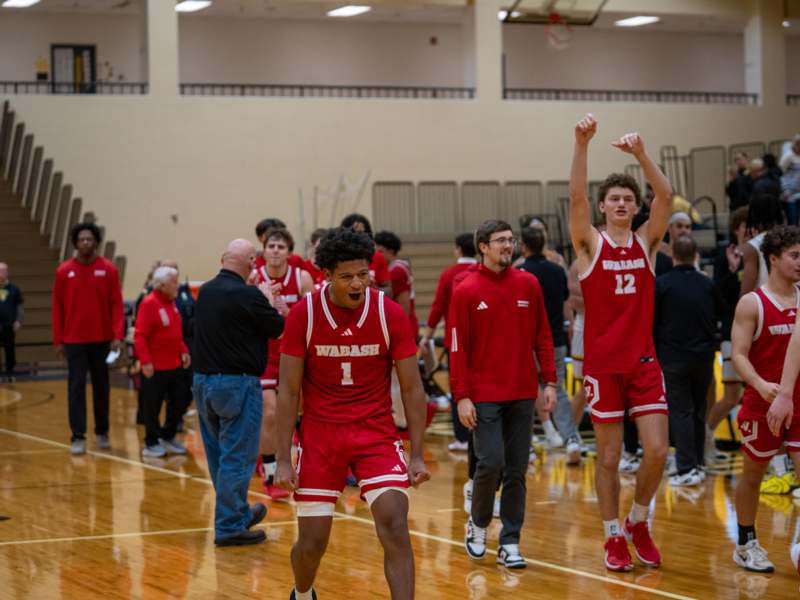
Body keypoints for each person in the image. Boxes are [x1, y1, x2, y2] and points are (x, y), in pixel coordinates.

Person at [274, 227, 430, 600]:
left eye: (363, 274)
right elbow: (288, 391)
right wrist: (282, 459)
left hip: (375, 432)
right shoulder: (303, 315)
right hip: (320, 435)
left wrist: (419, 453)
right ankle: (303, 590)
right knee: (312, 544)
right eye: (346, 276)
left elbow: (412, 387)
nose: (357, 283)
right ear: (326, 276)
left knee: (394, 520)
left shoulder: (389, 313)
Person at [569, 114, 672, 572]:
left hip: (644, 361)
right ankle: (613, 535)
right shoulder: (590, 245)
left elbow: (666, 196)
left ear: (635, 206)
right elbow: (574, 197)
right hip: (603, 365)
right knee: (609, 457)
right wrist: (582, 144)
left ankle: (639, 520)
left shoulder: (648, 242)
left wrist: (641, 155)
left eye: (629, 199)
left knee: (656, 451)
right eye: (614, 199)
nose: (622, 204)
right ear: (603, 206)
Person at [450, 219, 557, 569]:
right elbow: (457, 348)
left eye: (511, 241)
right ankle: (478, 525)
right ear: (483, 246)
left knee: (516, 470)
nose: (507, 246)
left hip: (522, 392)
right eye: (500, 241)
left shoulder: (529, 284)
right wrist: (462, 396)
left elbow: (543, 336)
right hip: (483, 394)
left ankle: (510, 540)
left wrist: (550, 383)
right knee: (490, 462)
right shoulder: (465, 290)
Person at [192, 239, 284, 547]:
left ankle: (238, 512)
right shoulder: (248, 295)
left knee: (219, 456)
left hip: (203, 383)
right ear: (251, 264)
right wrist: (268, 299)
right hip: (237, 385)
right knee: (239, 457)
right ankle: (230, 525)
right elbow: (277, 328)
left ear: (222, 259)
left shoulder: (204, 292)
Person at [730, 226, 800, 573]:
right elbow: (739, 354)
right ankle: (745, 542)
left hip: (798, 403)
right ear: (773, 259)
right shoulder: (752, 302)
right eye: (794, 256)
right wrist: (760, 384)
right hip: (762, 402)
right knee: (753, 476)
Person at [654, 236, 723, 486]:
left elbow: (653, 322)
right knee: (698, 409)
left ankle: (685, 468)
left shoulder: (661, 284)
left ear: (673, 256)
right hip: (703, 357)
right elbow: (719, 314)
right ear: (696, 256)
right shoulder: (706, 284)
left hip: (673, 358)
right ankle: (699, 463)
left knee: (681, 411)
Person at [52, 223, 124, 455]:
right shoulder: (64, 271)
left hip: (102, 340)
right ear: (75, 243)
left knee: (102, 387)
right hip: (74, 341)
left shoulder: (109, 269)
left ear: (96, 242)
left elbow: (116, 304)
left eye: (90, 239)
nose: (86, 243)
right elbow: (57, 307)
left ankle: (102, 432)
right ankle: (78, 436)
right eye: (82, 239)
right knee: (75, 388)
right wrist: (58, 340)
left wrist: (117, 335)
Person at [254, 227, 313, 500]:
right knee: (269, 413)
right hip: (266, 356)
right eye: (271, 246)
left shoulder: (301, 278)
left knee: (292, 415)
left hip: (294, 356)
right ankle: (269, 469)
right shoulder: (255, 279)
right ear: (263, 251)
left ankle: (290, 461)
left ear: (289, 252)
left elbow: (315, 320)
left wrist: (289, 313)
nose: (275, 251)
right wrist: (265, 307)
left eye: (280, 247)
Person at [518, 226, 582, 465]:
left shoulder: (520, 273)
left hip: (526, 343)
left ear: (523, 247)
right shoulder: (557, 270)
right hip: (554, 339)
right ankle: (571, 439)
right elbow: (566, 298)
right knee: (559, 389)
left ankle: (526, 445)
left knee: (525, 390)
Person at [418, 232, 477, 452]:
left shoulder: (449, 274)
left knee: (458, 386)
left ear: (458, 250)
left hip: (456, 340)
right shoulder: (484, 273)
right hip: (481, 340)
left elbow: (438, 307)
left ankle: (463, 438)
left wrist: (427, 336)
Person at [134, 266, 191, 458]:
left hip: (174, 364)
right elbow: (140, 336)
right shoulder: (149, 303)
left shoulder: (171, 302)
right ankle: (151, 442)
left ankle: (167, 436)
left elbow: (175, 333)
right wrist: (145, 362)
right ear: (163, 284)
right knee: (152, 405)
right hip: (155, 366)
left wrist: (184, 350)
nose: (178, 285)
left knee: (180, 400)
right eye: (174, 281)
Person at [707, 206, 749, 461]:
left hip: (758, 333)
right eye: (746, 225)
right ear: (736, 228)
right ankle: (705, 437)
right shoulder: (725, 253)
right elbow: (717, 294)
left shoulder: (761, 252)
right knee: (731, 397)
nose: (750, 229)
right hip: (732, 332)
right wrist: (734, 273)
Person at [374, 230, 419, 338]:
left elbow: (404, 306)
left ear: (391, 251)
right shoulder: (396, 267)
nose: (377, 255)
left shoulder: (396, 271)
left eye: (380, 251)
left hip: (402, 326)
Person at [340, 213, 391, 291]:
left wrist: (373, 289)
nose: (358, 237)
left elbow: (389, 290)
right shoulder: (338, 258)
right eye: (354, 233)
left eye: (362, 233)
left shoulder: (377, 257)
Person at [0, 262, 23, 382]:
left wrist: (18, 320)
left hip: (9, 325)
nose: (1, 274)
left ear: (7, 273)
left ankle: (10, 373)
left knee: (10, 351)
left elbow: (19, 306)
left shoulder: (14, 289)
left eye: (3, 271)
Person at [780, 135, 800, 226]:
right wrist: (785, 190)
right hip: (789, 194)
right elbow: (780, 174)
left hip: (799, 192)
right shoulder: (787, 157)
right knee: (793, 218)